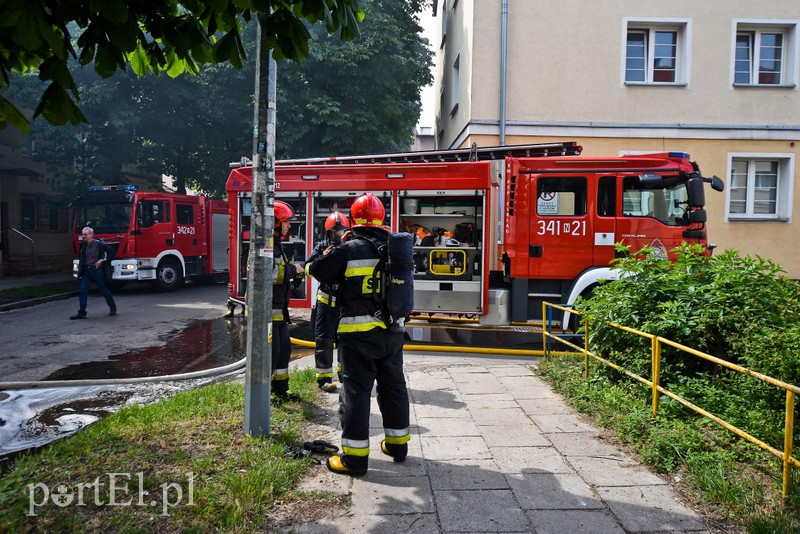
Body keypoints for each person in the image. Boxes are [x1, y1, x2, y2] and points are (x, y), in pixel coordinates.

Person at [307, 193, 410, 476]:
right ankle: (398, 446)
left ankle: (354, 459)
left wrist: (332, 248)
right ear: (381, 219)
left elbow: (317, 270)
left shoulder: (349, 248)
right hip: (392, 333)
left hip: (358, 335)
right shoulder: (394, 248)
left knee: (355, 393)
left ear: (354, 220)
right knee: (393, 388)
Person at [305, 211, 351, 393]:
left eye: (341, 230)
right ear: (328, 233)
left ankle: (344, 374)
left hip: (344, 301)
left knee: (344, 340)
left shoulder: (350, 247)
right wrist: (323, 257)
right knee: (323, 340)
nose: (338, 234)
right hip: (325, 301)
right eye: (334, 231)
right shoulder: (321, 247)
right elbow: (308, 269)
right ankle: (324, 378)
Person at [271, 200, 305, 399]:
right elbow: (270, 275)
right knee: (271, 356)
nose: (289, 225)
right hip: (269, 312)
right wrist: (293, 269)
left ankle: (281, 391)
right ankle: (264, 396)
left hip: (279, 311)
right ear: (275, 222)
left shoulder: (276, 245)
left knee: (284, 350)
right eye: (285, 221)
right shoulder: (266, 246)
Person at [71, 226, 117, 319]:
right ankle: (81, 313)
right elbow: (82, 257)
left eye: (86, 234)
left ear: (91, 234)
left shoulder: (99, 244)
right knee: (83, 291)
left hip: (96, 270)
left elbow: (112, 253)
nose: (84, 236)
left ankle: (113, 307)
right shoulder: (84, 244)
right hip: (87, 271)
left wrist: (102, 260)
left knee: (103, 290)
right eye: (83, 234)